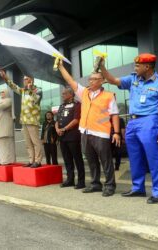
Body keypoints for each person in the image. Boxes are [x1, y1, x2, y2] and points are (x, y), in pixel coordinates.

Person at [100, 53, 158, 204]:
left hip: (150, 120)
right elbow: (112, 80)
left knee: (153, 158)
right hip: (132, 122)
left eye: (137, 65)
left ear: (147, 67)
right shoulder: (133, 79)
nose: (135, 68)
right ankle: (138, 188)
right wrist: (101, 66)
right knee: (134, 157)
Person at [57, 59, 121, 197]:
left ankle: (110, 185)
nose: (91, 81)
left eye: (95, 79)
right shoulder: (84, 93)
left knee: (106, 161)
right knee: (91, 160)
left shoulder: (109, 96)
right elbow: (70, 81)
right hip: (85, 132)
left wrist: (116, 133)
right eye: (90, 79)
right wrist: (61, 67)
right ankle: (95, 184)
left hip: (101, 133)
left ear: (102, 81)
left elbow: (114, 115)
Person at [0, 69, 43, 168]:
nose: (24, 81)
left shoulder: (38, 90)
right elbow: (13, 86)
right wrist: (5, 77)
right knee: (28, 143)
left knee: (35, 142)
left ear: (31, 80)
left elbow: (36, 99)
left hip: (33, 120)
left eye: (26, 79)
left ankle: (38, 160)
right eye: (24, 79)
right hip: (24, 120)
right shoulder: (23, 91)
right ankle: (31, 160)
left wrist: (31, 88)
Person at [56, 87, 85, 189]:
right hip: (62, 137)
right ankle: (70, 180)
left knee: (77, 159)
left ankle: (81, 182)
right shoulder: (62, 106)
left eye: (64, 93)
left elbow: (76, 120)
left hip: (73, 136)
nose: (62, 95)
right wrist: (57, 129)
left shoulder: (77, 105)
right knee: (67, 159)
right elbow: (57, 120)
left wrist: (64, 128)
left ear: (70, 95)